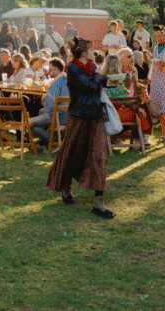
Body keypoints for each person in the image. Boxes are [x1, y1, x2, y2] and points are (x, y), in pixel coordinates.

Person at [45, 37, 113, 218]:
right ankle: (65, 186)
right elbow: (89, 86)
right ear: (84, 54)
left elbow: (99, 84)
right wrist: (99, 76)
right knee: (71, 152)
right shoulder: (73, 68)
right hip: (79, 116)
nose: (94, 53)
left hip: (95, 116)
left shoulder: (92, 68)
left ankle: (99, 200)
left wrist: (112, 79)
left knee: (99, 155)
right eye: (91, 50)